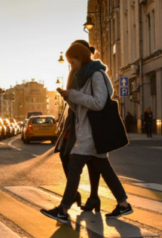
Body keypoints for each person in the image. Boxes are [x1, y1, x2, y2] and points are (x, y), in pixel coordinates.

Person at [41, 41, 133, 223]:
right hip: (87, 130)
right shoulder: (85, 76)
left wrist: (74, 95)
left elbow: (99, 103)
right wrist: (69, 99)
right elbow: (81, 107)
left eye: (72, 62)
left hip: (92, 133)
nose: (71, 67)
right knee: (105, 169)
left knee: (74, 165)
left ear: (81, 58)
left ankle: (63, 209)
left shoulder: (96, 75)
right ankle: (123, 204)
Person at [53, 39, 102, 212]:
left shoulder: (86, 70)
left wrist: (70, 95)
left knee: (84, 159)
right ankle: (87, 196)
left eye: (73, 60)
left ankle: (85, 197)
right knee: (81, 158)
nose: (71, 64)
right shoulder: (81, 68)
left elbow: (94, 98)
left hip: (82, 119)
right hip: (75, 117)